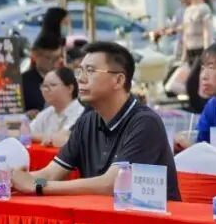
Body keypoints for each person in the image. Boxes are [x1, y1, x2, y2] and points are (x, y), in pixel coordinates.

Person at [11, 42, 180, 199]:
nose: (81, 79)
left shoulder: (145, 123)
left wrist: (38, 186)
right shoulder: (87, 122)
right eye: (80, 71)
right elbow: (50, 174)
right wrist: (11, 179)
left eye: (90, 71)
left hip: (146, 220)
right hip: (102, 218)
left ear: (118, 80)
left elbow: (112, 184)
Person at [28, 67, 84, 147]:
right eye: (44, 86)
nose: (46, 90)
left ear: (70, 88)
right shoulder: (46, 113)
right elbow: (26, 133)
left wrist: (46, 137)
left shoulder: (81, 113)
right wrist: (45, 137)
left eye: (52, 85)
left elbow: (62, 139)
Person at [21, 34, 65, 115]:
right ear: (35, 56)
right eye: (49, 58)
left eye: (57, 58)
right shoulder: (23, 81)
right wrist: (25, 115)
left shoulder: (65, 79)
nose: (54, 62)